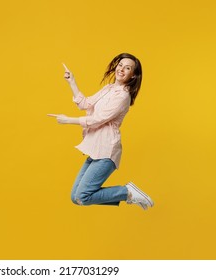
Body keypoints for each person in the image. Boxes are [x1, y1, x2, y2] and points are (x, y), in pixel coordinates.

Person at [48, 53, 154, 210]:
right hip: (95, 149)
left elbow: (98, 119)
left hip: (106, 150)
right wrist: (72, 82)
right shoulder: (109, 88)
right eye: (120, 65)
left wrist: (68, 120)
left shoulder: (123, 96)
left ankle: (127, 192)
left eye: (128, 68)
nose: (122, 69)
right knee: (75, 197)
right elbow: (86, 104)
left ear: (133, 75)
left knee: (83, 196)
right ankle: (128, 195)